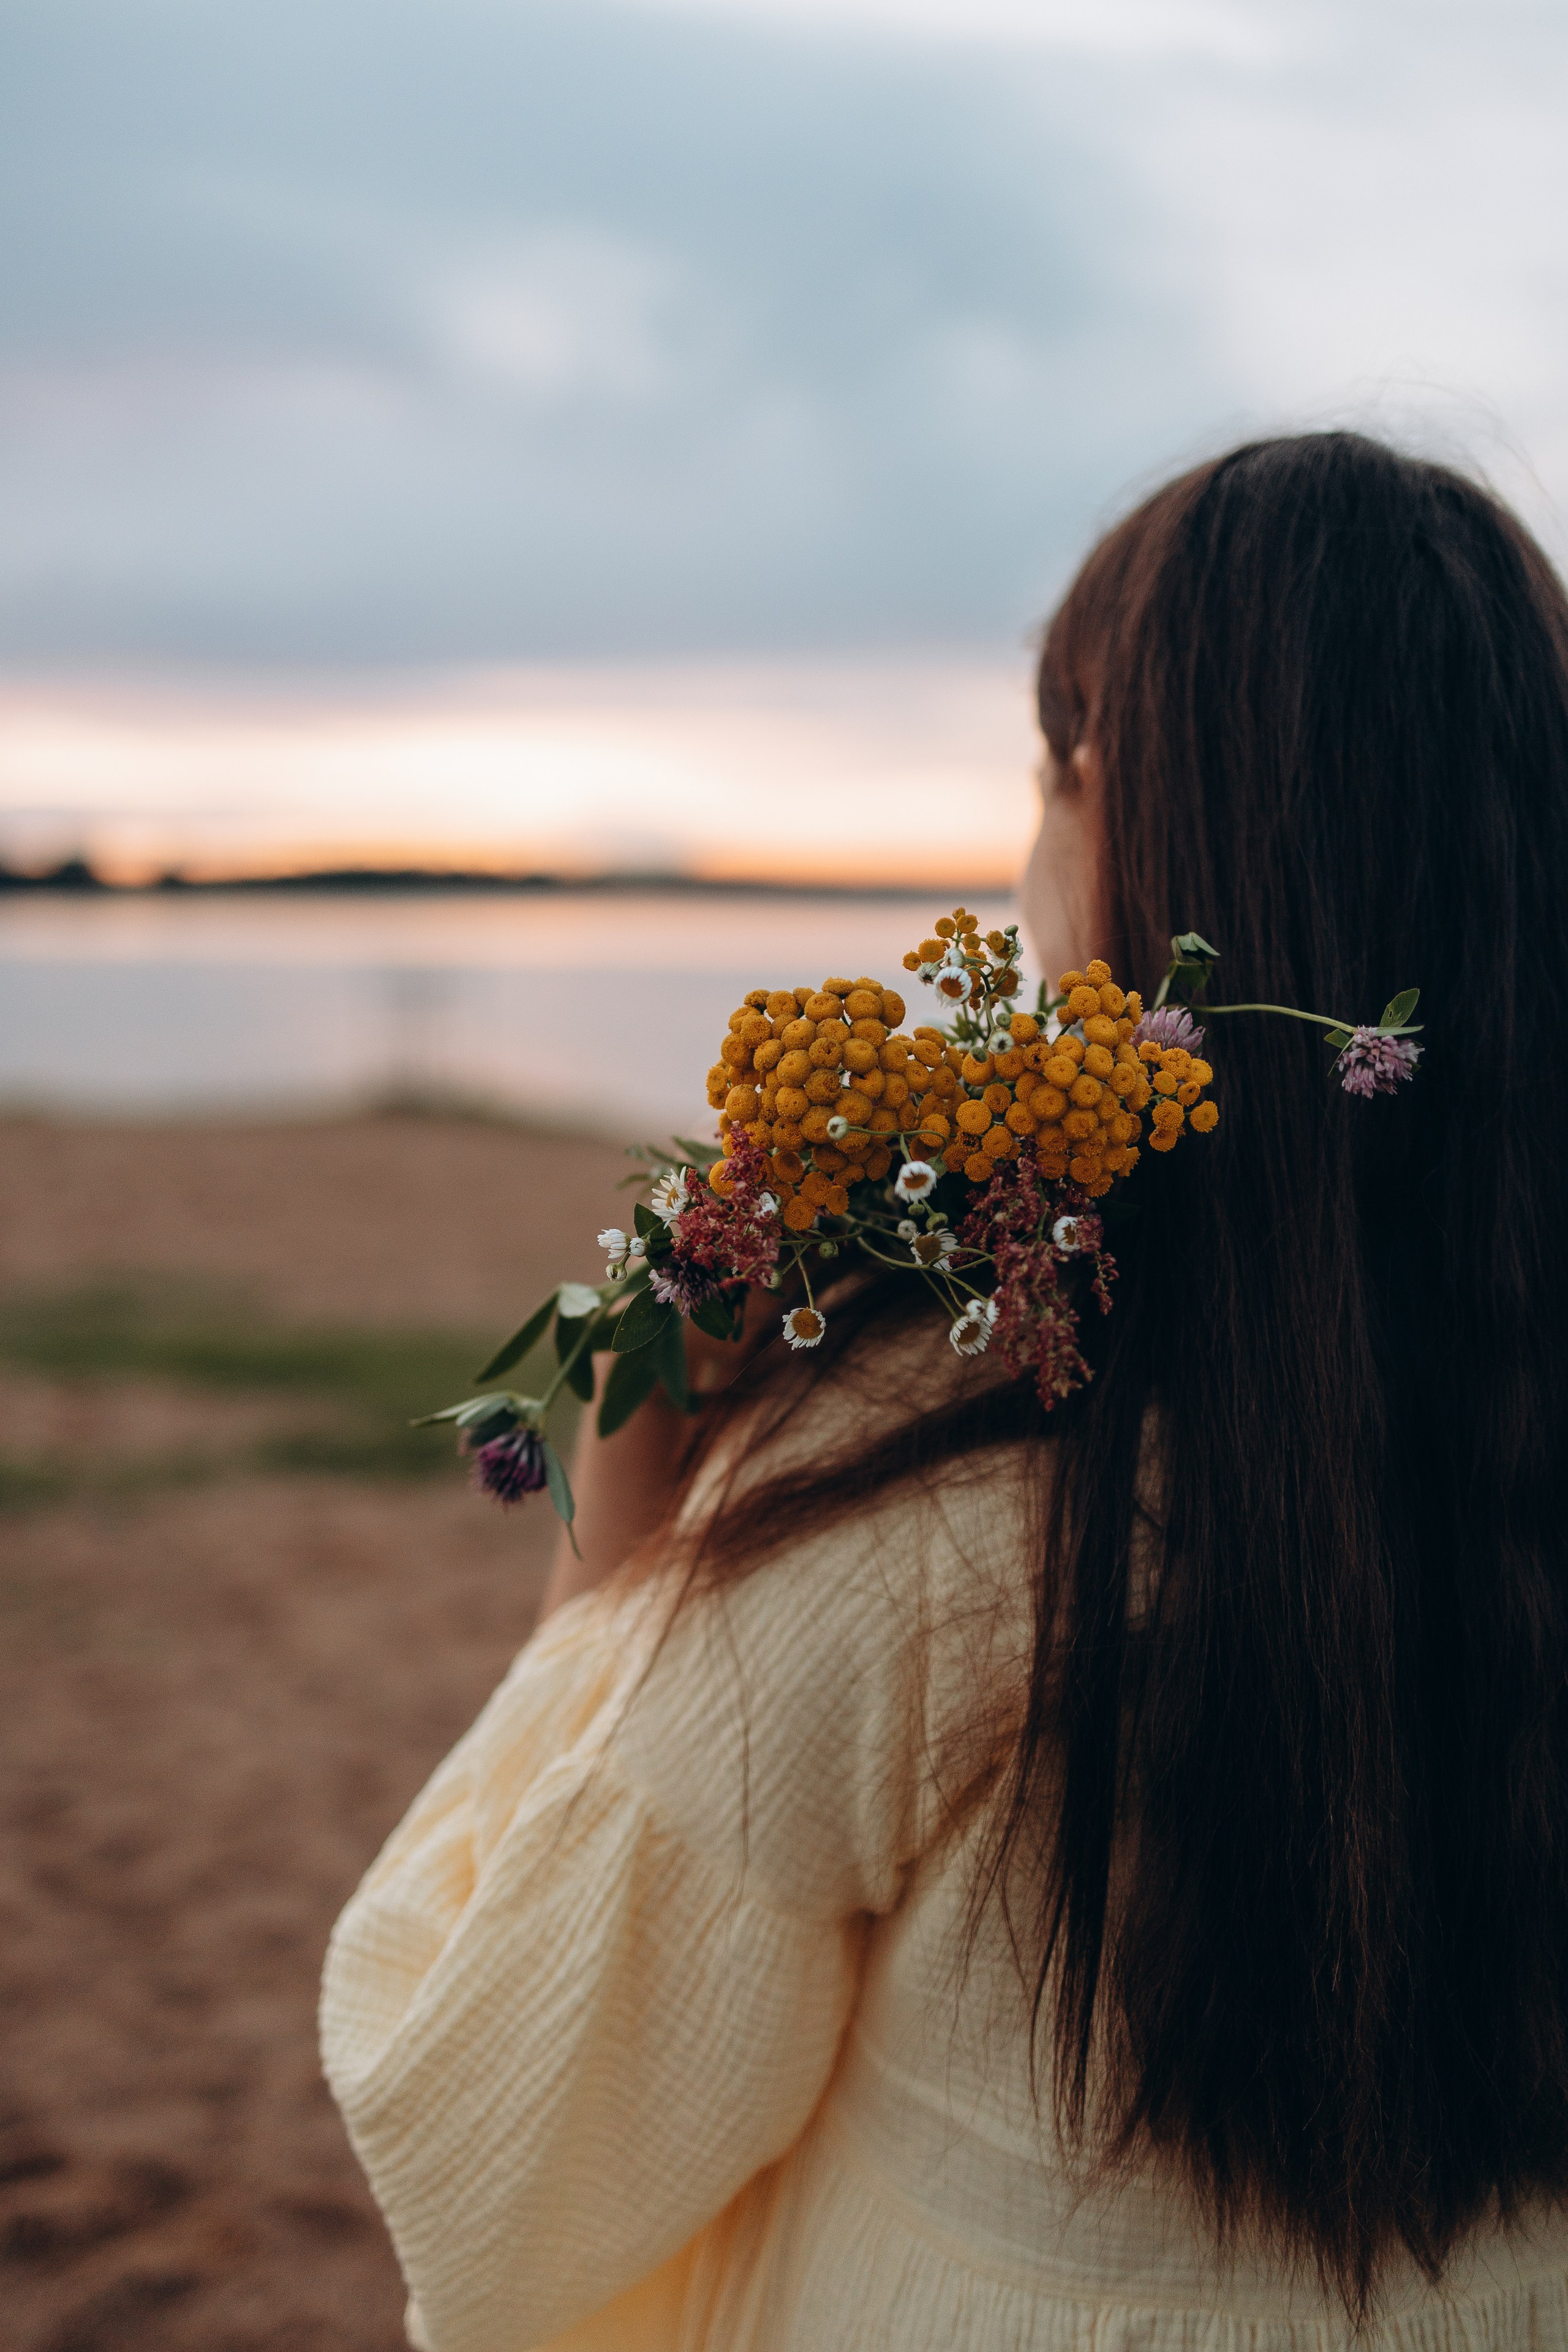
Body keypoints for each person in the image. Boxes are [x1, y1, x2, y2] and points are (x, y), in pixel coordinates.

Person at [321, 432, 1568, 2351]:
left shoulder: (945, 1512)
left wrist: (615, 1575)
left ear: (1117, 813)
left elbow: (497, 2167)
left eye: (1045, 779)